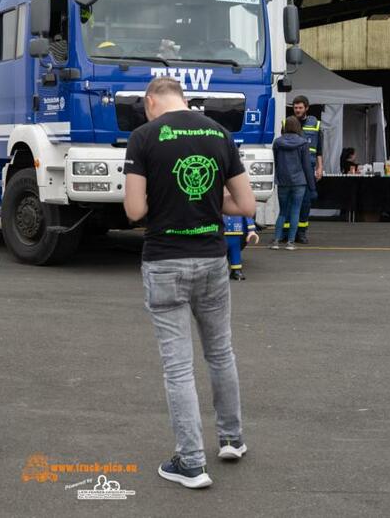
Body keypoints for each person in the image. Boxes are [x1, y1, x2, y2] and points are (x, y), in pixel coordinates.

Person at [124, 77, 256, 489]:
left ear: (151, 102)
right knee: (220, 352)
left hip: (164, 260)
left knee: (178, 366)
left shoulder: (143, 137)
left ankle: (191, 462)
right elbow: (247, 204)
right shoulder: (219, 133)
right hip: (212, 258)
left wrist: (165, 202)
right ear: (183, 98)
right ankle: (232, 440)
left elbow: (133, 210)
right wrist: (206, 199)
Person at [270, 116, 316, 251]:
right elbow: (307, 166)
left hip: (283, 181)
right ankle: (290, 242)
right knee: (295, 211)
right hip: (299, 182)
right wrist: (312, 187)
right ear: (298, 127)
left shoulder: (277, 143)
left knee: (283, 211)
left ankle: (276, 241)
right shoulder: (303, 143)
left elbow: (276, 162)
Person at [284, 95, 323, 243]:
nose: (297, 110)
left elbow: (319, 149)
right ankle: (286, 233)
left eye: (300, 108)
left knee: (306, 202)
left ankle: (301, 232)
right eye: (295, 108)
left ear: (306, 108)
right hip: (292, 168)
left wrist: (320, 167)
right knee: (288, 201)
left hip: (309, 168)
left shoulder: (315, 124)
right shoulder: (287, 123)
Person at [223, 214, 259, 281]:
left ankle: (236, 270)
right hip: (221, 235)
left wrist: (251, 230)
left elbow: (248, 217)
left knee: (235, 252)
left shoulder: (241, 209)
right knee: (219, 253)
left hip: (236, 233)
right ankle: (217, 272)